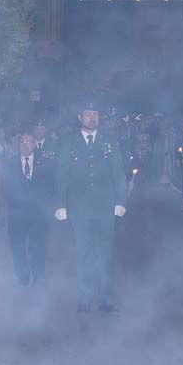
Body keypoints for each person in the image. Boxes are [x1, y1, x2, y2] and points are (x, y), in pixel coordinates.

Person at [54, 102, 128, 314]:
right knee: (83, 254)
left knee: (105, 255)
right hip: (79, 209)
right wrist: (60, 204)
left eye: (95, 114)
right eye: (88, 114)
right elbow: (61, 176)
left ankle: (105, 299)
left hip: (106, 208)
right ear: (80, 117)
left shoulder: (109, 141)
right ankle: (84, 298)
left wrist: (121, 201)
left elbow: (118, 173)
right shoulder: (68, 142)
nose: (92, 118)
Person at [3, 133, 52, 286]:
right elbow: (5, 187)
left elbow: (51, 186)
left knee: (38, 244)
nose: (25, 145)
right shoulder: (9, 163)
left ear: (34, 144)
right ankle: (23, 275)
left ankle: (38, 273)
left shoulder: (46, 163)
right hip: (17, 213)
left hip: (39, 212)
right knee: (17, 245)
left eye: (29, 142)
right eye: (22, 142)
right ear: (18, 145)